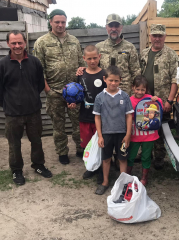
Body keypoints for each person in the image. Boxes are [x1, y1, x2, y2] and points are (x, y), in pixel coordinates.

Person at [0, 30, 52, 186]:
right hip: (12, 114)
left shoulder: (35, 62)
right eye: (14, 43)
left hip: (33, 112)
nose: (17, 46)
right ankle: (16, 170)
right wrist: (8, 105)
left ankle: (38, 165)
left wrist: (31, 98)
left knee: (37, 141)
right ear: (8, 44)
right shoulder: (1, 65)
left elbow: (40, 84)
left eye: (20, 42)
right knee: (14, 144)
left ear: (25, 43)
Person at [33, 9, 85, 165]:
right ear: (50, 22)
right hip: (55, 91)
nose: (60, 25)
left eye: (63, 22)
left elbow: (82, 64)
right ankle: (62, 152)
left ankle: (81, 148)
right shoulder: (41, 42)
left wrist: (81, 73)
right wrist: (47, 90)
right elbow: (38, 70)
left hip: (75, 92)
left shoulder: (74, 41)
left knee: (78, 123)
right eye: (57, 22)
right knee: (58, 125)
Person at [139, 24, 179, 170]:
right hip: (145, 100)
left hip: (162, 101)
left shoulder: (171, 55)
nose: (157, 38)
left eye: (160, 35)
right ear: (150, 37)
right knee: (144, 126)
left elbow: (175, 79)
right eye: (154, 35)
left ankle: (159, 157)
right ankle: (146, 153)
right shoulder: (143, 53)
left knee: (160, 129)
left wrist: (169, 100)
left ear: (165, 37)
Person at [93, 66, 133, 195]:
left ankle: (123, 184)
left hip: (121, 134)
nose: (113, 83)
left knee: (122, 159)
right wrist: (100, 136)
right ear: (105, 79)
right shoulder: (99, 97)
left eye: (116, 81)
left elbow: (129, 116)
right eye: (110, 80)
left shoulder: (125, 96)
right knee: (106, 159)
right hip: (106, 134)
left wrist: (127, 135)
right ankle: (105, 182)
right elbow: (97, 117)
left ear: (120, 80)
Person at [69, 45, 106, 182]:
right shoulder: (80, 75)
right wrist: (73, 104)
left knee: (101, 144)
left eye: (95, 58)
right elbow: (77, 95)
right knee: (87, 145)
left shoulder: (105, 75)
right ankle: (91, 168)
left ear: (99, 57)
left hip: (101, 119)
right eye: (89, 58)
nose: (92, 61)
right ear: (84, 58)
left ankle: (103, 169)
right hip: (84, 116)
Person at [77, 14, 141, 94]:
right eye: (111, 26)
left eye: (116, 26)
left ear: (121, 27)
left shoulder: (130, 48)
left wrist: (134, 93)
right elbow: (91, 67)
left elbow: (136, 72)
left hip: (124, 92)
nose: (113, 29)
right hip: (103, 92)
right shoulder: (99, 47)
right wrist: (82, 69)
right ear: (106, 27)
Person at [127, 76, 163, 186]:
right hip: (134, 134)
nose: (140, 92)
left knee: (146, 156)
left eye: (142, 90)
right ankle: (128, 176)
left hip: (149, 134)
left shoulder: (150, 98)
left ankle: (144, 177)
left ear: (146, 89)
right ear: (133, 88)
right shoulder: (129, 100)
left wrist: (157, 99)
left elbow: (159, 104)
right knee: (131, 156)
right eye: (137, 89)